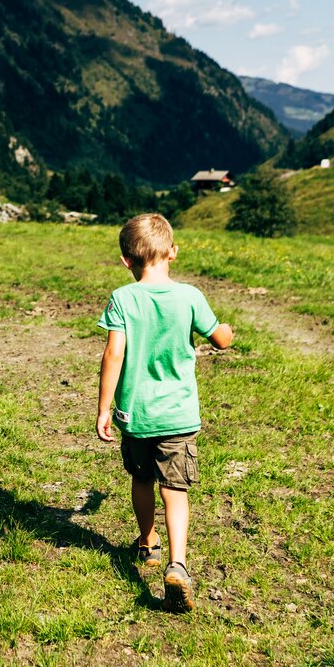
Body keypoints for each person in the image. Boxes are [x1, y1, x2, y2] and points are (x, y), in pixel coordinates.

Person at [96, 213, 233, 612]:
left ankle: (147, 541)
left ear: (126, 260)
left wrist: (104, 408)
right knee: (175, 490)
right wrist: (226, 330)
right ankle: (177, 564)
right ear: (173, 251)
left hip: (136, 415)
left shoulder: (123, 298)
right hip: (178, 416)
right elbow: (220, 339)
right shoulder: (190, 296)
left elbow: (113, 353)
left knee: (141, 479)